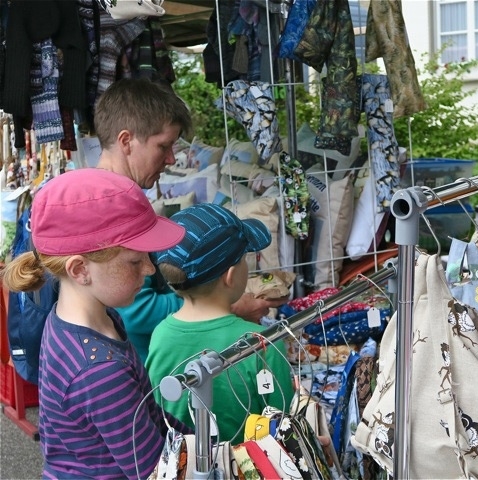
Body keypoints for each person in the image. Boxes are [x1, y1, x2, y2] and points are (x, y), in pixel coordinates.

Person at [1, 169, 192, 479]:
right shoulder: (99, 370)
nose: (149, 268)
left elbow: (148, 412)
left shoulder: (82, 318)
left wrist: (198, 441)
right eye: (135, 261)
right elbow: (158, 472)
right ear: (80, 270)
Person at [92, 78, 289, 362]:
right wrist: (224, 307)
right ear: (126, 141)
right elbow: (136, 312)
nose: (171, 159)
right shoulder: (115, 210)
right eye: (163, 146)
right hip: (152, 365)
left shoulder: (109, 198)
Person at [145, 203, 295, 443]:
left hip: (183, 461)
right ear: (230, 276)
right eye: (245, 259)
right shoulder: (263, 343)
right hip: (250, 463)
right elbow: (284, 428)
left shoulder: (160, 335)